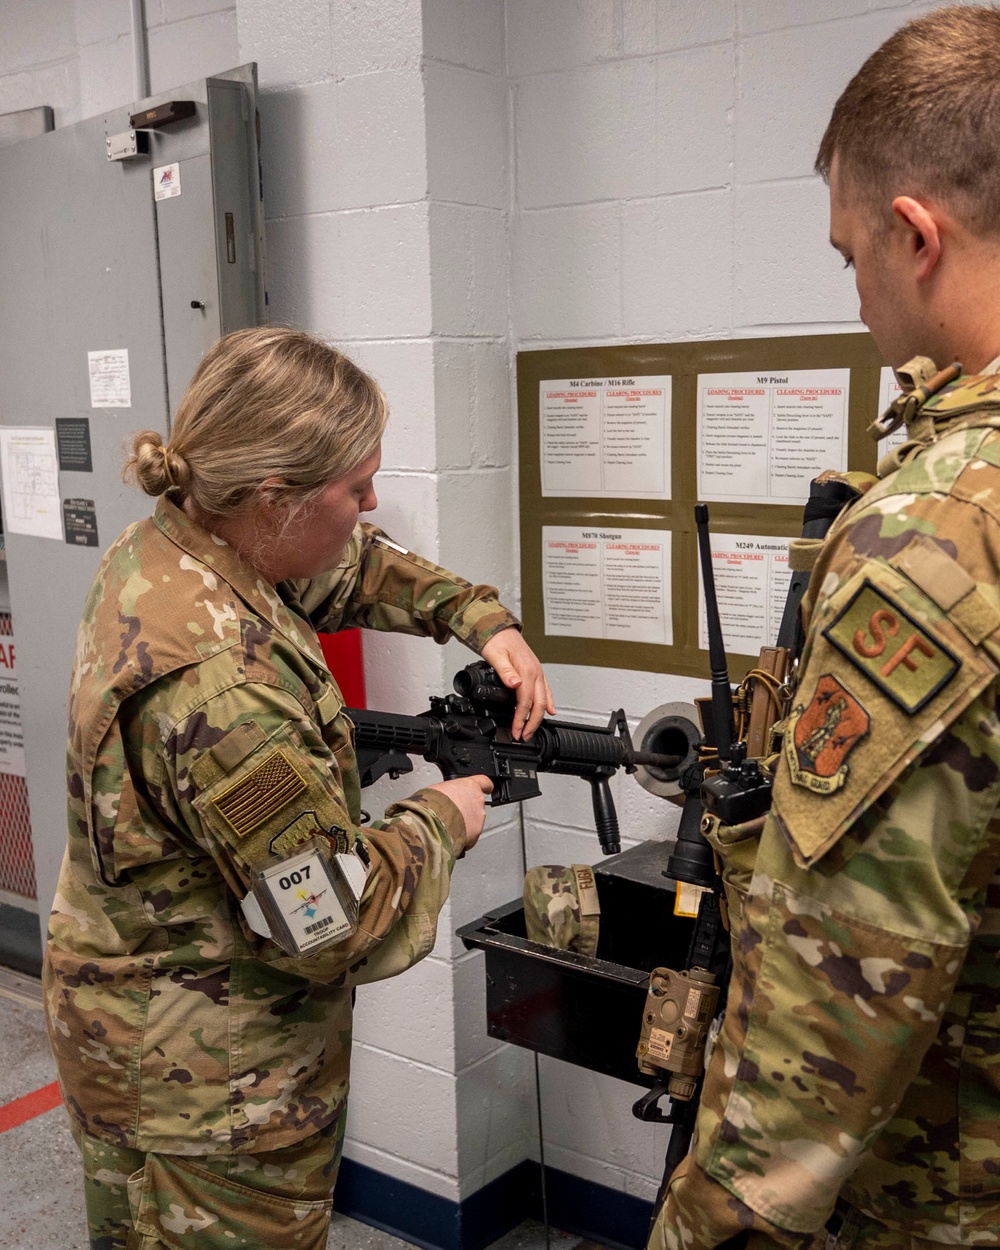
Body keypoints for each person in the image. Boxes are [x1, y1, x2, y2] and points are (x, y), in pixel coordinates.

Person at [42, 326, 553, 1250]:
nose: (370, 507)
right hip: (205, 1098)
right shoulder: (223, 690)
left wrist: (476, 616)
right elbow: (325, 923)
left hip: (148, 1036)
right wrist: (444, 817)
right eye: (356, 490)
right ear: (273, 499)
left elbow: (349, 568)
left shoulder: (177, 547)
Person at [649, 7, 1000, 1250]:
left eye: (848, 253)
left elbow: (848, 972)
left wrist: (703, 1224)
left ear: (915, 237)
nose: (851, 289)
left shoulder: (939, 530)